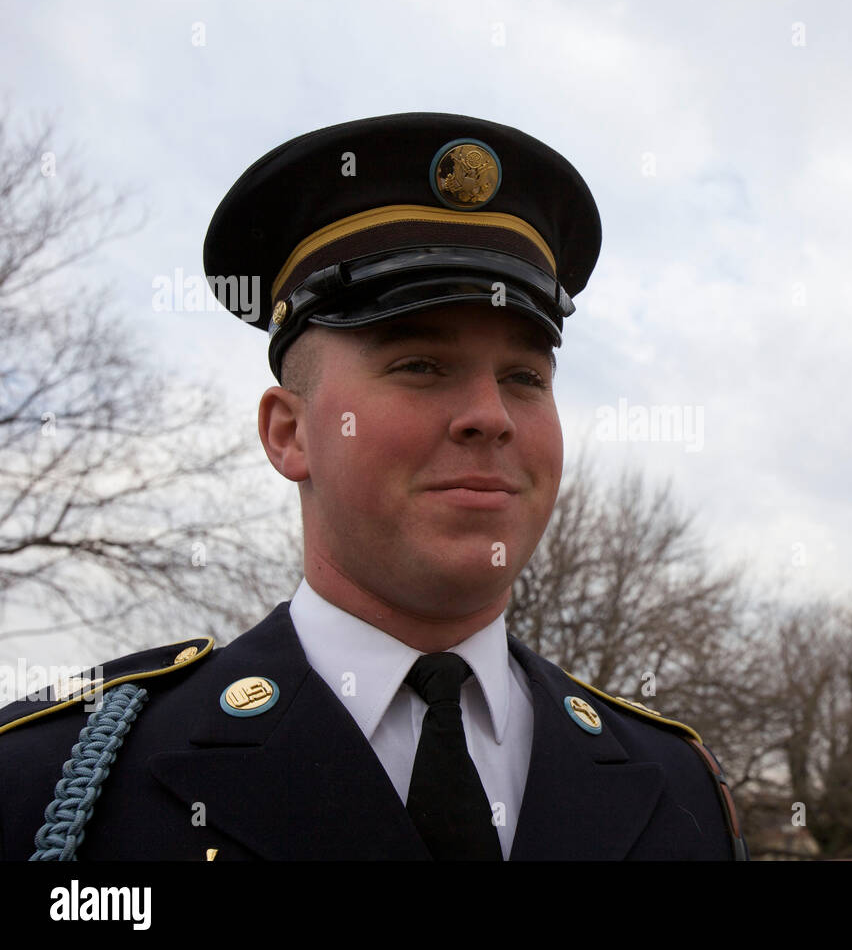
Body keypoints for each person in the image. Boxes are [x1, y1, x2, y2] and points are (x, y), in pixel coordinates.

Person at [0, 113, 747, 861]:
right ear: (288, 434)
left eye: (524, 378)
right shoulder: (55, 781)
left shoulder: (680, 789)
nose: (491, 416)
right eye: (421, 365)